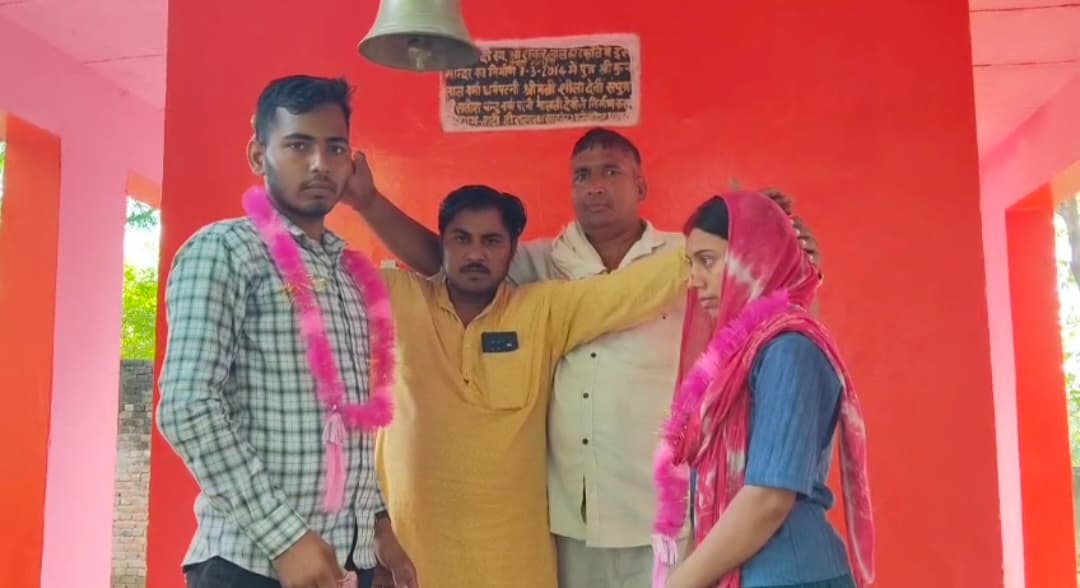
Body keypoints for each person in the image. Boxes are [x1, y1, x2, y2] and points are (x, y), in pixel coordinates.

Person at [343, 128, 821, 587]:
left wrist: (750, 234)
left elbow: (760, 299)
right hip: (572, 519)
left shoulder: (689, 256)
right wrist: (367, 202)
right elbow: (439, 261)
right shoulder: (539, 265)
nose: (595, 187)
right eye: (582, 175)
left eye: (611, 172)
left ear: (640, 185)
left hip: (661, 510)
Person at [157, 75, 417, 588]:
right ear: (259, 155)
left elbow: (347, 424)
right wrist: (286, 539)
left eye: (335, 147)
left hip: (345, 563)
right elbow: (187, 407)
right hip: (251, 563)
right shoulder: (226, 250)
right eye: (299, 145)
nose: (320, 163)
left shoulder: (348, 272)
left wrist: (377, 525)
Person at [371, 184, 691, 587]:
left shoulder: (541, 310)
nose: (475, 254)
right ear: (442, 243)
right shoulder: (397, 297)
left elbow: (630, 292)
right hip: (413, 562)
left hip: (516, 564)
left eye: (491, 241)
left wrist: (716, 236)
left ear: (512, 250)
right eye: (461, 239)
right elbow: (314, 281)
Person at [651, 192, 874, 588]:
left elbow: (769, 498)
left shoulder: (790, 349)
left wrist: (678, 584)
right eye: (691, 263)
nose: (694, 279)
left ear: (756, 259)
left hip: (794, 576)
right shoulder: (741, 355)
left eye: (707, 260)